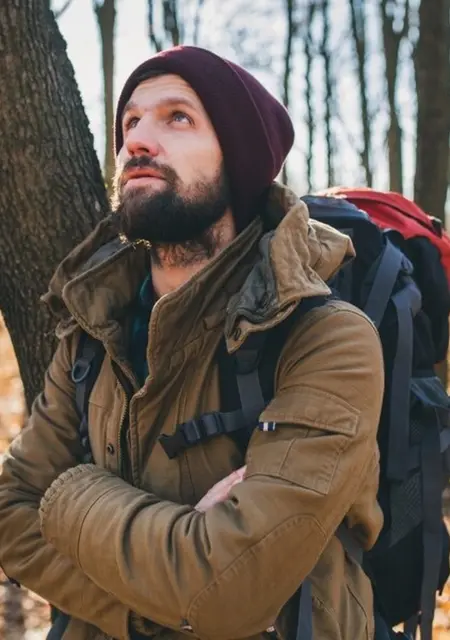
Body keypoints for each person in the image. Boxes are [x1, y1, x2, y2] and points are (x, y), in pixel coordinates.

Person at [0, 46, 384, 640]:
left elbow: (230, 592)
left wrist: (69, 494)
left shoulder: (326, 339)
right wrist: (159, 601)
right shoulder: (93, 329)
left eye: (177, 117)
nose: (136, 141)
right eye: (131, 121)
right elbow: (9, 513)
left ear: (240, 159)